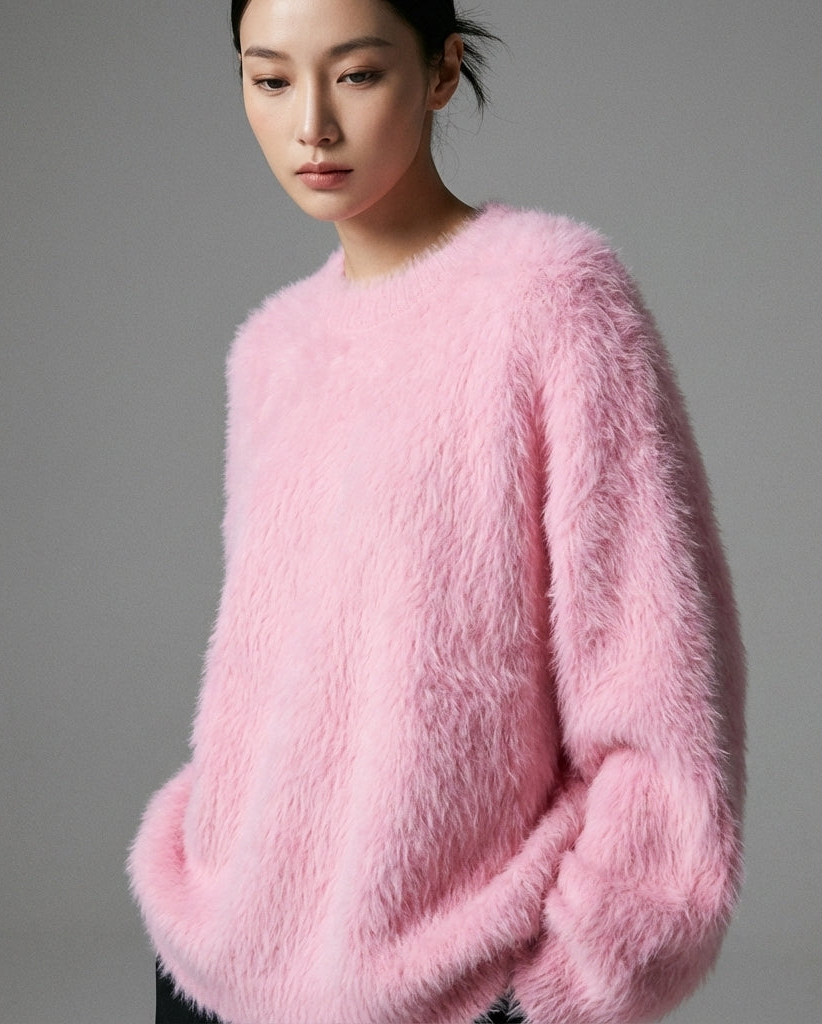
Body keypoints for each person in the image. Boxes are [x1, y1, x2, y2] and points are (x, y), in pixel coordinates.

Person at [128, 0, 746, 1021]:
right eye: (270, 79)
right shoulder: (273, 348)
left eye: (357, 74)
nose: (311, 124)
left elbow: (656, 673)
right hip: (219, 964)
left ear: (443, 70)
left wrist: (581, 976)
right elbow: (268, 678)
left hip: (455, 984)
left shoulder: (551, 296)